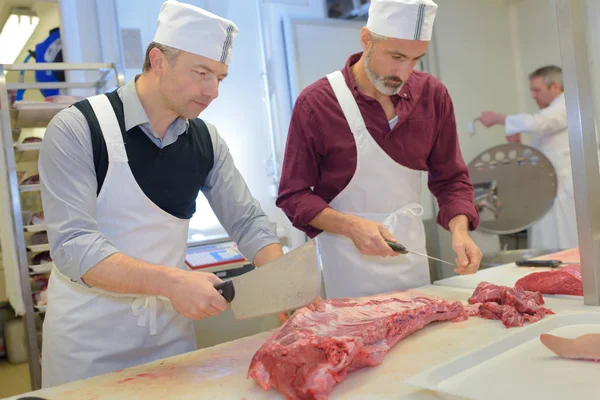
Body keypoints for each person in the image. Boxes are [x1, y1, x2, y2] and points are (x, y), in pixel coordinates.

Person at [39, 0, 283, 387]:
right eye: (202, 73)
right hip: (88, 344)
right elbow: (74, 246)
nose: (213, 91)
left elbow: (247, 220)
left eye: (220, 77)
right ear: (158, 60)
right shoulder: (79, 129)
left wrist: (283, 283)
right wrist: (171, 283)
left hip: (170, 339)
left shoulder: (206, 141)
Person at [276, 0, 482, 299]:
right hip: (347, 268)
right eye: (396, 56)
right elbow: (293, 196)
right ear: (366, 39)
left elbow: (451, 179)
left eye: (415, 60)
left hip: (412, 262)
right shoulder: (318, 103)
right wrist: (351, 226)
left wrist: (461, 231)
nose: (404, 72)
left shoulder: (432, 95)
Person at [479, 65, 577, 250]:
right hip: (550, 195)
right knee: (551, 248)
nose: (533, 95)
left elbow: (540, 123)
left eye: (537, 90)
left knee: (570, 248)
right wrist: (518, 145)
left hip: (568, 194)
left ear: (555, 87)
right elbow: (540, 158)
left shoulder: (568, 104)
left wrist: (500, 118)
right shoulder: (552, 116)